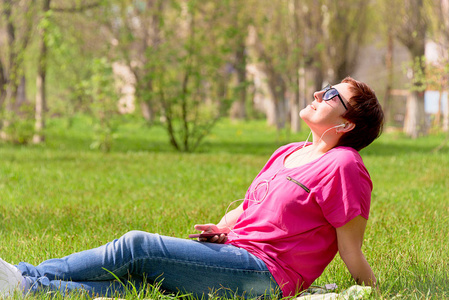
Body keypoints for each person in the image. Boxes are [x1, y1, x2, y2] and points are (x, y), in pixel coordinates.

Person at [0, 76, 384, 299]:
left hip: (265, 274)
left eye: (332, 95)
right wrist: (224, 229)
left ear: (347, 124)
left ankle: (21, 276)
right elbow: (250, 207)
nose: (319, 94)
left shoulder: (344, 166)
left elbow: (350, 249)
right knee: (134, 284)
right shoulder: (290, 151)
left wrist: (374, 289)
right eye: (323, 88)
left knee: (137, 246)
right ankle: (34, 289)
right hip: (237, 253)